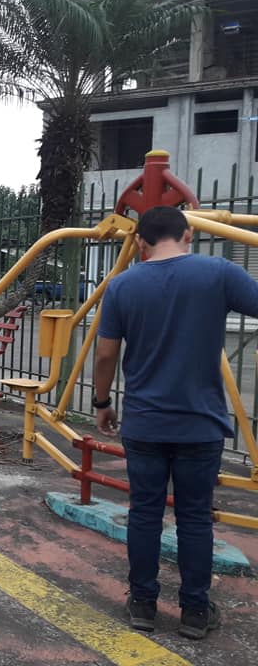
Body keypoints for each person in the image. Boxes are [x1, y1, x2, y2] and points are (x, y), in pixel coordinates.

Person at [94, 205, 258, 639]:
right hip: (200, 425)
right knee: (195, 518)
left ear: (141, 243)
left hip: (145, 424)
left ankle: (143, 605)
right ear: (188, 235)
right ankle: (195, 612)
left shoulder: (122, 285)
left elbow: (106, 354)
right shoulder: (219, 273)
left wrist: (102, 402)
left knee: (145, 514)